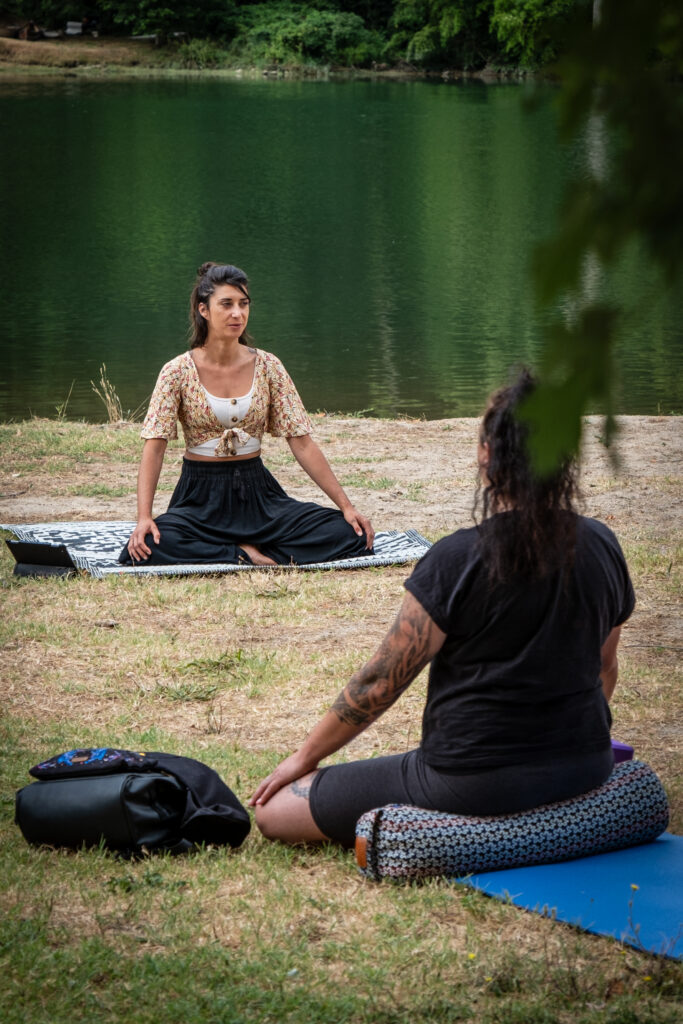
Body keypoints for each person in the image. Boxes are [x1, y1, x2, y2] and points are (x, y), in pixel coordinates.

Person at [250, 368, 635, 848]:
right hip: (586, 769)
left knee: (276, 811)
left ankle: (456, 833)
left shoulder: (456, 559)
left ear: (488, 457)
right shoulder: (602, 544)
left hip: (470, 781)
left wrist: (303, 758)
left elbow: (380, 682)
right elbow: (605, 667)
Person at [119, 262, 374, 567]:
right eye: (226, 305)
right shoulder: (176, 371)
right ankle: (241, 553)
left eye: (243, 304)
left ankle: (246, 549)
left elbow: (302, 443)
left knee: (351, 534)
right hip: (200, 496)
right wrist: (144, 517)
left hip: (258, 493)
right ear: (204, 310)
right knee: (147, 546)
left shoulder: (269, 366)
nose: (237, 314)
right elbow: (155, 447)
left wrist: (346, 506)